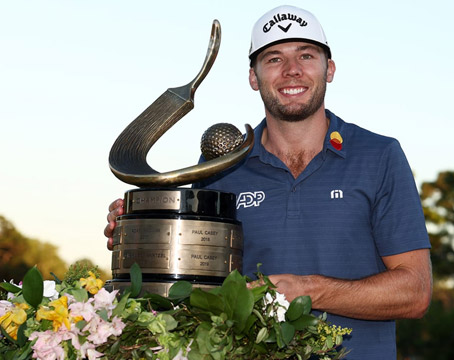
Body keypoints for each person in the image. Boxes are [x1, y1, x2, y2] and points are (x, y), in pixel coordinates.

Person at [105, 5, 432, 359]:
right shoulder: (219, 168)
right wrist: (141, 226)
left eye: (306, 55)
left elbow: (415, 292)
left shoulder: (379, 155)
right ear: (253, 77)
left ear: (330, 69)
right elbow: (190, 280)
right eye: (274, 59)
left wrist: (307, 291)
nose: (292, 70)